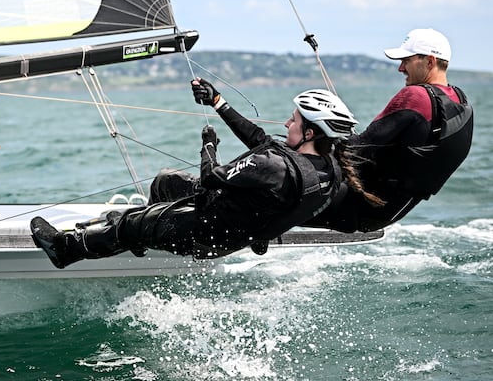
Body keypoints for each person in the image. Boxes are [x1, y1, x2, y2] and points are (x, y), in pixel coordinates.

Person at [30, 80, 372, 269]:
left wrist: (208, 143)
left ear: (310, 133)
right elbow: (259, 138)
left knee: (128, 221)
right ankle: (142, 242)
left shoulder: (272, 167)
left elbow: (211, 177)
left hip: (208, 234)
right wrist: (218, 101)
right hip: (236, 227)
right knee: (166, 181)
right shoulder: (330, 170)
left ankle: (66, 249)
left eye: (294, 121)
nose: (286, 124)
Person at [308, 28, 474, 233]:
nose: (400, 68)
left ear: (430, 62)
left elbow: (355, 151)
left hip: (353, 205)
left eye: (406, 60)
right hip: (387, 213)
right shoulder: (461, 102)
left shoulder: (416, 96)